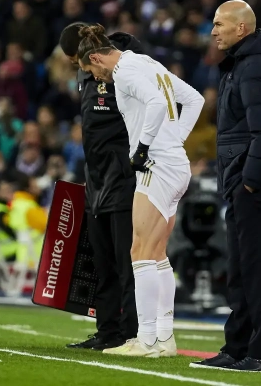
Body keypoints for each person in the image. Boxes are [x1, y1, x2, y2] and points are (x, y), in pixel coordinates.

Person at [76, 23, 204, 357]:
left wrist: (143, 148)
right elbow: (195, 99)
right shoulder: (147, 62)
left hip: (156, 167)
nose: (96, 78)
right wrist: (175, 140)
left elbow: (157, 104)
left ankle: (145, 339)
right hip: (175, 164)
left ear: (97, 59)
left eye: (91, 71)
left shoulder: (124, 72)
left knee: (140, 252)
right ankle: (163, 338)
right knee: (158, 254)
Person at [191, 1, 261, 372]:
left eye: (220, 24)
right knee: (239, 269)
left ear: (241, 28)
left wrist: (249, 181)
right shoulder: (244, 65)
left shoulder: (255, 67)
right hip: (241, 178)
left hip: (255, 182)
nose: (213, 31)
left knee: (253, 268)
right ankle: (237, 348)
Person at [59, 23, 142, 351]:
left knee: (127, 262)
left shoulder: (130, 66)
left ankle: (132, 334)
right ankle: (107, 331)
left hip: (125, 178)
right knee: (102, 263)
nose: (77, 68)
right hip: (97, 181)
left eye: (75, 61)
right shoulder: (85, 76)